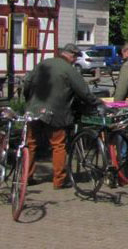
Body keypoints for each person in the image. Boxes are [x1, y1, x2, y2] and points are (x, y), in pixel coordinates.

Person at [24, 43, 103, 188]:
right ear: (71, 55)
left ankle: (26, 177)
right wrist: (97, 102)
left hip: (33, 110)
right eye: (75, 58)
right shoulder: (69, 70)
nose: (75, 61)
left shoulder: (43, 64)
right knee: (58, 145)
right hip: (56, 113)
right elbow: (84, 92)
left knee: (30, 144)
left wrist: (29, 101)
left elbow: (27, 83)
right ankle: (59, 180)